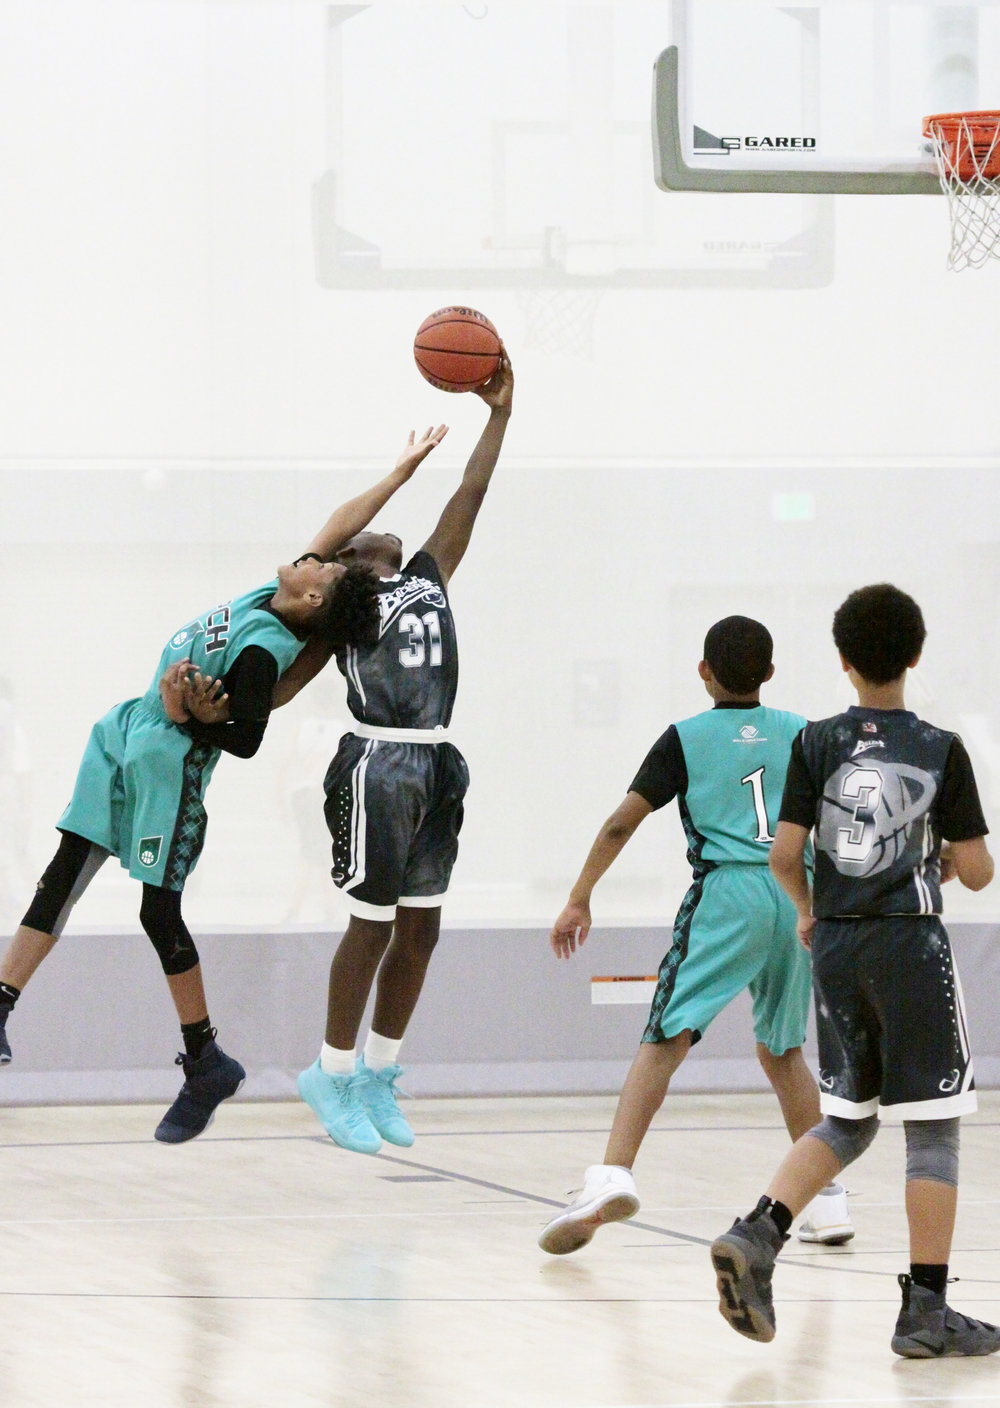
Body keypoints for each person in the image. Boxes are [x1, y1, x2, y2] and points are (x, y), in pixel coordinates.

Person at [0, 429, 446, 1142]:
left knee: (156, 914)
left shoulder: (272, 651)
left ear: (312, 599)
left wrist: (191, 716)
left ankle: (205, 1058)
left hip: (169, 766)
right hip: (122, 737)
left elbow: (248, 733)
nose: (316, 558)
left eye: (326, 569)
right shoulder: (280, 592)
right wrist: (398, 473)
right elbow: (338, 524)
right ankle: (2, 1003)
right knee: (58, 880)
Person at [710, 583, 999, 1358]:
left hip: (836, 945)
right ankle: (926, 1310)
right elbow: (976, 871)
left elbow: (782, 855)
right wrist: (948, 852)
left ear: (842, 662)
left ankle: (760, 1232)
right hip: (910, 945)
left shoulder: (815, 743)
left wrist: (808, 911)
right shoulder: (939, 747)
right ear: (915, 654)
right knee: (932, 1130)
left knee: (848, 1118)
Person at [538, 617, 853, 1255]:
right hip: (796, 894)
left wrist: (580, 895)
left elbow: (621, 824)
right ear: (769, 673)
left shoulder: (684, 738)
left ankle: (611, 1174)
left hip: (727, 893)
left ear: (703, 671)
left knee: (666, 1035)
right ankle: (827, 1201)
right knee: (783, 1050)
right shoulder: (804, 734)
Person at [294, 355, 513, 1156]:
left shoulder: (424, 574)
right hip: (376, 763)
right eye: (361, 536)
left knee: (422, 930)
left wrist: (499, 417)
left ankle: (380, 1072)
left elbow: (472, 494)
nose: (382, 532)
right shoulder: (339, 608)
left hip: (436, 763)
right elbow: (283, 684)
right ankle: (331, 1070)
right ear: (347, 559)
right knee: (372, 927)